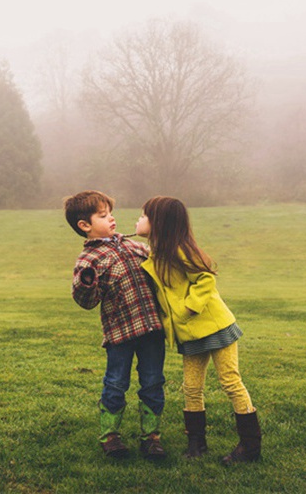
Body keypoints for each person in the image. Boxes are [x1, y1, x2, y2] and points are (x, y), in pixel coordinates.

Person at [135, 195, 261, 464]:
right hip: (190, 333)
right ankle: (196, 442)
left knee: (230, 381)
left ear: (158, 223)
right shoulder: (157, 252)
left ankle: (250, 446)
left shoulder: (180, 250)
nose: (138, 219)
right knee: (191, 387)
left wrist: (188, 308)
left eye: (143, 215)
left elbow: (205, 279)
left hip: (214, 326)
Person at [64, 190, 167, 459]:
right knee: (115, 384)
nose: (111, 218)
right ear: (85, 226)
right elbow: (86, 301)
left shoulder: (135, 247)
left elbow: (161, 272)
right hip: (120, 333)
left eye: (110, 213)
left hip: (152, 329)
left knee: (153, 382)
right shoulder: (88, 261)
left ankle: (151, 437)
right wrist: (87, 281)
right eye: (103, 215)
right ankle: (110, 437)